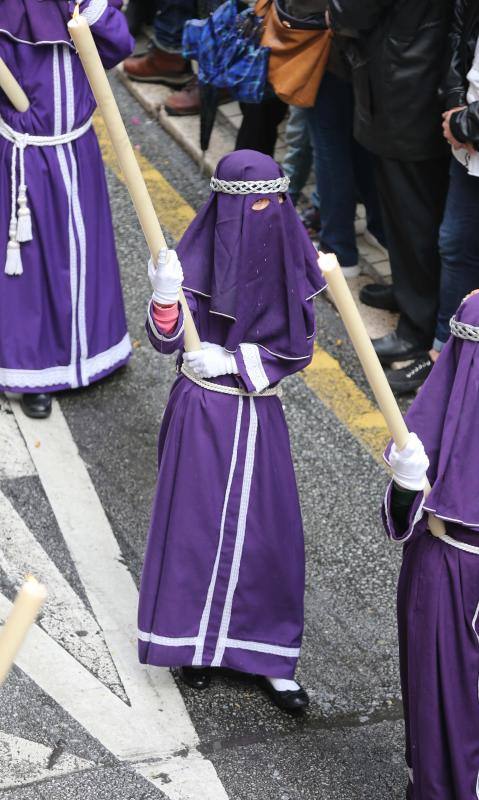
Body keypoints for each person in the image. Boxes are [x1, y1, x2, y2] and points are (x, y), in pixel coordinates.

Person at [138, 150, 326, 713]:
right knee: (194, 527)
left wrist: (236, 361)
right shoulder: (193, 259)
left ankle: (266, 653)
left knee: (270, 535)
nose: (259, 216)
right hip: (202, 409)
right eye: (247, 205)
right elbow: (166, 340)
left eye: (270, 203)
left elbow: (298, 346)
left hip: (258, 413)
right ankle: (194, 644)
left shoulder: (293, 258)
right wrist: (166, 298)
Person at [0, 0, 133, 418]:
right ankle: (35, 369)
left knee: (86, 256)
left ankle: (93, 351)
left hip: (77, 149)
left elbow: (119, 44)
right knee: (30, 269)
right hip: (24, 156)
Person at [383, 290, 479, 798]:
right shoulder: (452, 398)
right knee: (440, 706)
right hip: (445, 569)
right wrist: (406, 483)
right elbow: (403, 515)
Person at [328, 0, 452, 358]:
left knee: (412, 212)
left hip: (408, 80)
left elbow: (353, 10)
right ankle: (409, 293)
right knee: (409, 208)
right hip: (413, 72)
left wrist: (334, 12)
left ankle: (416, 326)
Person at [387, 0, 479, 394]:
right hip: (469, 145)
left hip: (470, 132)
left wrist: (467, 122)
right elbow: (460, 36)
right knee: (455, 245)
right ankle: (443, 356)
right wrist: (459, 108)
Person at [306, 2, 386, 278]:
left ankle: (338, 249)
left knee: (330, 147)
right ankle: (378, 230)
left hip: (332, 43)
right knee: (360, 142)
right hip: (376, 50)